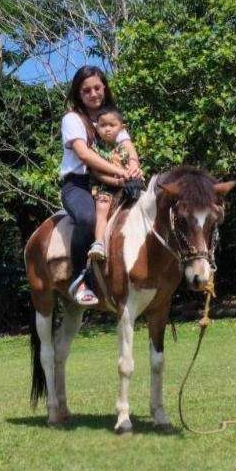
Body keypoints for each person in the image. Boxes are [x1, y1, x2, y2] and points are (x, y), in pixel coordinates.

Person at [59, 66, 142, 306]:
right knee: (87, 218)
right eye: (86, 90)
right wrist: (121, 171)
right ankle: (81, 279)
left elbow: (128, 146)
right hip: (79, 185)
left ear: (104, 88)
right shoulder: (72, 119)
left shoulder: (110, 117)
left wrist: (134, 166)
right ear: (78, 93)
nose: (93, 93)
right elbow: (84, 155)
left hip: (115, 181)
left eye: (97, 88)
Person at [86, 106, 130, 263]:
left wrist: (134, 176)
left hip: (124, 188)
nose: (108, 129)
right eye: (103, 125)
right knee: (102, 208)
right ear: (97, 128)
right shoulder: (95, 150)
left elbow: (129, 167)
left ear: (122, 128)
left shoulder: (123, 150)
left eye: (112, 125)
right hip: (104, 187)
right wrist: (116, 181)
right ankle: (98, 242)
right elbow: (97, 173)